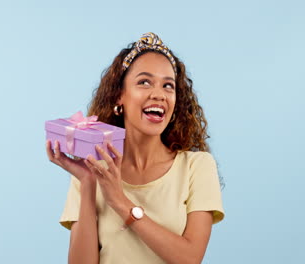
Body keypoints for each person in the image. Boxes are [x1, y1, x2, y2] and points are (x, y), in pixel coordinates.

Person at [46, 32, 225, 264]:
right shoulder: (92, 167)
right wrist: (88, 184)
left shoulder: (196, 167)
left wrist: (120, 202)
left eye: (168, 86)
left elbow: (190, 258)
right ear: (120, 95)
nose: (158, 94)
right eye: (144, 82)